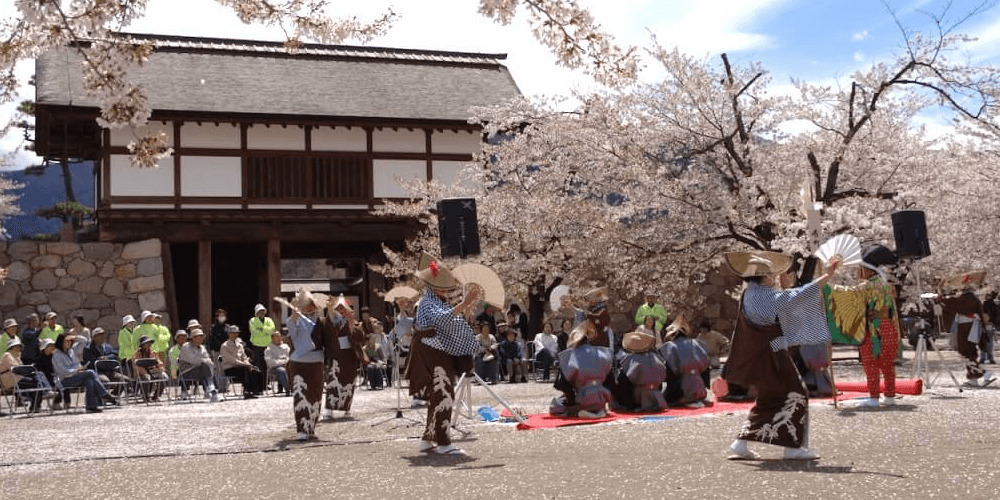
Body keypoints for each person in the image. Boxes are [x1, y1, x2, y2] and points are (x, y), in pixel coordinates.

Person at [723, 251, 838, 461]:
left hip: (762, 353)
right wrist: (826, 277)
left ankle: (741, 442)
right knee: (797, 393)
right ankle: (792, 447)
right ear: (764, 276)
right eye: (771, 274)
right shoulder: (764, 295)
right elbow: (796, 298)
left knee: (770, 397)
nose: (774, 277)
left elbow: (785, 304)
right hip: (772, 353)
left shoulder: (750, 293)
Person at [410, 253, 481, 455]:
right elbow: (442, 320)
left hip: (438, 352)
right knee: (444, 395)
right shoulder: (427, 302)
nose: (446, 291)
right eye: (442, 287)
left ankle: (428, 438)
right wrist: (464, 304)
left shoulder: (433, 301)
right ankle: (443, 442)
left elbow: (447, 320)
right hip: (432, 353)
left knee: (439, 395)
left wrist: (462, 309)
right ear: (433, 287)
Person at [937, 272, 996, 387]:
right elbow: (953, 303)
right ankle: (978, 377)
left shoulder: (969, 298)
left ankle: (984, 374)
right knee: (969, 352)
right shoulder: (971, 298)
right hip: (969, 327)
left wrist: (941, 294)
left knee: (967, 351)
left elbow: (953, 303)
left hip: (968, 328)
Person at [549, 320, 614, 418]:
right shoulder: (602, 353)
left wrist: (571, 402)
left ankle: (578, 412)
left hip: (583, 397)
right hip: (602, 396)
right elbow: (611, 380)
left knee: (555, 406)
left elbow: (563, 385)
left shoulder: (570, 356)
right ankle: (598, 409)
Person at [285, 289, 327, 440]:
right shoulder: (293, 320)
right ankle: (301, 428)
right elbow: (293, 337)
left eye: (311, 305)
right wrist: (294, 320)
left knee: (315, 394)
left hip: (316, 361)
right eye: (306, 305)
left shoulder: (322, 321)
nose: (309, 308)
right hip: (298, 361)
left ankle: (311, 426)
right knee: (300, 393)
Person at [320, 294, 366, 419]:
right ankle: (329, 408)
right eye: (338, 309)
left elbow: (360, 338)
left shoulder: (354, 322)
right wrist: (329, 309)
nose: (341, 311)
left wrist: (351, 325)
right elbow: (327, 330)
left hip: (349, 357)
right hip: (335, 356)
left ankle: (347, 408)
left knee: (349, 382)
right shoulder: (328, 321)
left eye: (343, 309)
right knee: (333, 382)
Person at [53, 333, 117, 412]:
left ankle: (91, 407)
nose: (69, 342)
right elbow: (63, 371)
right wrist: (76, 370)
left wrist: (75, 336)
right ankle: (103, 394)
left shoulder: (71, 351)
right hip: (64, 380)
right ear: (61, 342)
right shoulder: (57, 356)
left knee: (89, 380)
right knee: (90, 372)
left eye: (70, 341)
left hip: (76, 377)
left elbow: (84, 341)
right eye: (67, 341)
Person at [660, 316, 711, 408]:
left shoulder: (671, 347)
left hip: (681, 388)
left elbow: (672, 371)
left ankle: (683, 399)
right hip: (700, 387)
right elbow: (706, 365)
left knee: (664, 397)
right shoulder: (696, 343)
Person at [618, 330, 668, 412]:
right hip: (656, 394)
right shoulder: (655, 357)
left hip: (639, 395)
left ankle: (630, 406)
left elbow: (627, 379)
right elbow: (664, 374)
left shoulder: (631, 358)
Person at [1, 338, 53, 411]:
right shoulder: (7, 355)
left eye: (19, 346)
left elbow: (21, 369)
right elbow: (15, 368)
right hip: (10, 380)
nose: (18, 348)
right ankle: (40, 398)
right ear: (11, 347)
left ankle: (36, 404)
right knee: (37, 383)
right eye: (15, 346)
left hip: (19, 378)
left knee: (38, 378)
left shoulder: (17, 356)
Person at [178, 328, 223, 402]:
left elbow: (208, 359)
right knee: (206, 367)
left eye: (202, 337)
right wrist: (204, 360)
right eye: (200, 337)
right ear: (194, 338)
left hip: (200, 371)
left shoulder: (202, 348)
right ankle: (211, 389)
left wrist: (204, 361)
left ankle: (212, 391)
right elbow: (193, 360)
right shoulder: (186, 347)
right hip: (186, 372)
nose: (202, 339)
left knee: (208, 367)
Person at [82, 327, 129, 396]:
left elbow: (115, 355)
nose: (102, 337)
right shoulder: (88, 349)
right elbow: (91, 362)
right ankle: (102, 398)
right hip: (98, 372)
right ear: (94, 337)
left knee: (125, 380)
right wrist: (101, 361)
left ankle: (114, 396)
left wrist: (107, 358)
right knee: (105, 381)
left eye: (103, 335)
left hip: (110, 371)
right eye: (100, 336)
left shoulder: (107, 346)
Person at [221, 325, 263, 398]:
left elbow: (244, 357)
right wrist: (245, 365)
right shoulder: (225, 346)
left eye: (236, 333)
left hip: (241, 366)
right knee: (245, 370)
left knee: (255, 369)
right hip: (230, 368)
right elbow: (231, 360)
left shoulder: (240, 345)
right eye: (233, 333)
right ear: (228, 334)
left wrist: (248, 364)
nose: (235, 334)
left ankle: (255, 390)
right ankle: (246, 390)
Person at [132, 335, 168, 402]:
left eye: (149, 343)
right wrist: (144, 372)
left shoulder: (153, 352)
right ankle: (146, 396)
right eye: (146, 343)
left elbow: (158, 361)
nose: (148, 345)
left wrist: (160, 367)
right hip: (142, 372)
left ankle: (156, 396)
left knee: (164, 377)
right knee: (147, 377)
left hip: (153, 370)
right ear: (142, 345)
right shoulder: (137, 353)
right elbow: (135, 364)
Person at [249, 303, 276, 382]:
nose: (261, 312)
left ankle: (266, 382)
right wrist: (266, 331)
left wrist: (261, 329)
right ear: (256, 313)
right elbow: (254, 331)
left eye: (262, 311)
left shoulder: (269, 320)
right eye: (259, 311)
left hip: (268, 345)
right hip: (257, 346)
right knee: (258, 365)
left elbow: (272, 329)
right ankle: (259, 383)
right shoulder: (252, 320)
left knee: (267, 364)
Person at [264, 331, 291, 396]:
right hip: (275, 368)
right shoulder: (268, 349)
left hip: (287, 364)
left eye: (279, 336)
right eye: (276, 337)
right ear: (272, 339)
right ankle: (288, 390)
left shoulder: (286, 347)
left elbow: (290, 356)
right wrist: (282, 363)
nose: (279, 338)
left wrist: (286, 361)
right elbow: (270, 362)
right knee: (281, 370)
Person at [168, 329, 189, 398]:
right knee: (184, 370)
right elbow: (175, 362)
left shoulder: (190, 348)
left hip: (190, 368)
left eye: (184, 337)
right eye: (180, 337)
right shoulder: (173, 350)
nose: (183, 339)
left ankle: (208, 390)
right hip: (176, 370)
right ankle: (184, 391)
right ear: (177, 339)